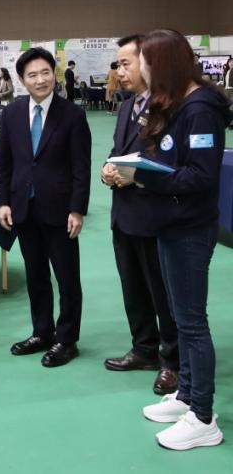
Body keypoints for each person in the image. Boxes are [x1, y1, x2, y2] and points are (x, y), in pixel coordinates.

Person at [113, 29, 231, 451]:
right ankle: (187, 395)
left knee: (192, 323)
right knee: (181, 319)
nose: (137, 69)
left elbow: (201, 175)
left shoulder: (200, 109)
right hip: (169, 222)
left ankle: (203, 416)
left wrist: (145, 178)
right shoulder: (177, 103)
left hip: (189, 228)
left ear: (161, 63)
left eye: (143, 61)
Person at [0, 47, 91, 367]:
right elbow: (4, 163)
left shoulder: (72, 115)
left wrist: (77, 209)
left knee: (67, 278)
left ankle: (67, 339)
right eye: (32, 75)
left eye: (45, 72)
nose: (40, 80)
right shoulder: (12, 114)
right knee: (35, 274)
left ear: (54, 74)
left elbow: (81, 167)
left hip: (60, 210)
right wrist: (3, 202)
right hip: (24, 207)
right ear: (22, 80)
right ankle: (42, 332)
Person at [101, 35, 179, 395]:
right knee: (132, 287)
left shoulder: (170, 107)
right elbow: (119, 150)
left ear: (149, 63)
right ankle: (144, 348)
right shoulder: (127, 106)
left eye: (126, 63)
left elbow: (170, 162)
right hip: (124, 214)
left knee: (162, 292)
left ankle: (172, 361)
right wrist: (108, 169)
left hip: (154, 215)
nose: (120, 71)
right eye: (118, 64)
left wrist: (136, 176)